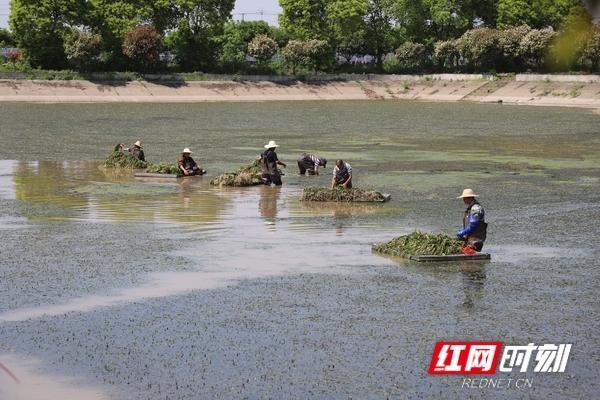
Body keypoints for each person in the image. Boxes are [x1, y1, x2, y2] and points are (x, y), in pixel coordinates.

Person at [456, 188, 488, 254]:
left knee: (469, 261)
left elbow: (473, 225)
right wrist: (463, 230)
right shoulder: (470, 208)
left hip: (475, 240)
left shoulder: (476, 209)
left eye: (464, 198)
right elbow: (469, 224)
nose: (463, 200)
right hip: (471, 239)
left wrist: (463, 232)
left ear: (469, 198)